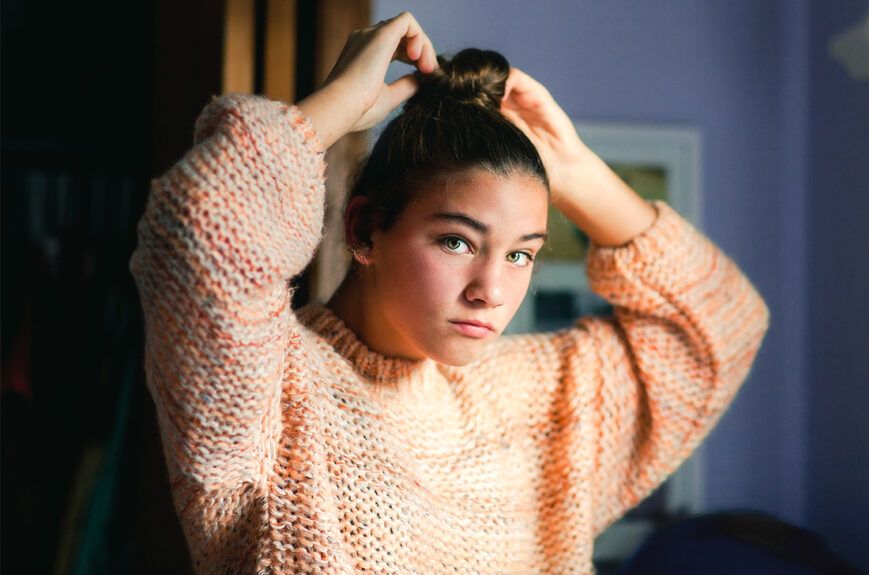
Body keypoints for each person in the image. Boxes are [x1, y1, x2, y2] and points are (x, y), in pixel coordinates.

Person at [128, 12, 770, 574]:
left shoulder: (536, 402)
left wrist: (575, 171)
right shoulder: (268, 392)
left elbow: (723, 327)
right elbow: (200, 226)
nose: (492, 290)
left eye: (521, 253)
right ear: (364, 229)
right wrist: (340, 105)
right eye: (457, 242)